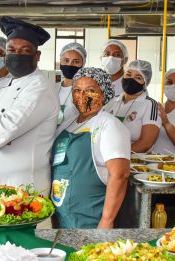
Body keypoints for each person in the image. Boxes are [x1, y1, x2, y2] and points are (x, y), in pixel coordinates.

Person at [0, 17, 58, 194]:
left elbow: (4, 129)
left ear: (37, 56)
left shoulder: (40, 88)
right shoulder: (1, 85)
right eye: (11, 50)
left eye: (25, 50)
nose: (17, 55)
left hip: (22, 191)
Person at [52, 67, 131, 228]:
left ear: (103, 95)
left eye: (90, 90)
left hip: (91, 219)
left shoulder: (108, 125)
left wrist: (107, 220)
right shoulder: (69, 123)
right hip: (64, 218)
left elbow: (120, 174)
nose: (82, 96)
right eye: (76, 90)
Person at [105, 59, 161, 153]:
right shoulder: (112, 101)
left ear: (145, 83)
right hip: (107, 158)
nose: (131, 79)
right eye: (128, 74)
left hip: (135, 162)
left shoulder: (151, 105)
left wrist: (117, 154)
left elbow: (146, 143)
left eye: (138, 77)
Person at [57, 42, 87, 125]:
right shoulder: (52, 88)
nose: (70, 65)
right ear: (60, 61)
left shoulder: (86, 92)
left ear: (83, 64)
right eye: (66, 60)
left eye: (76, 62)